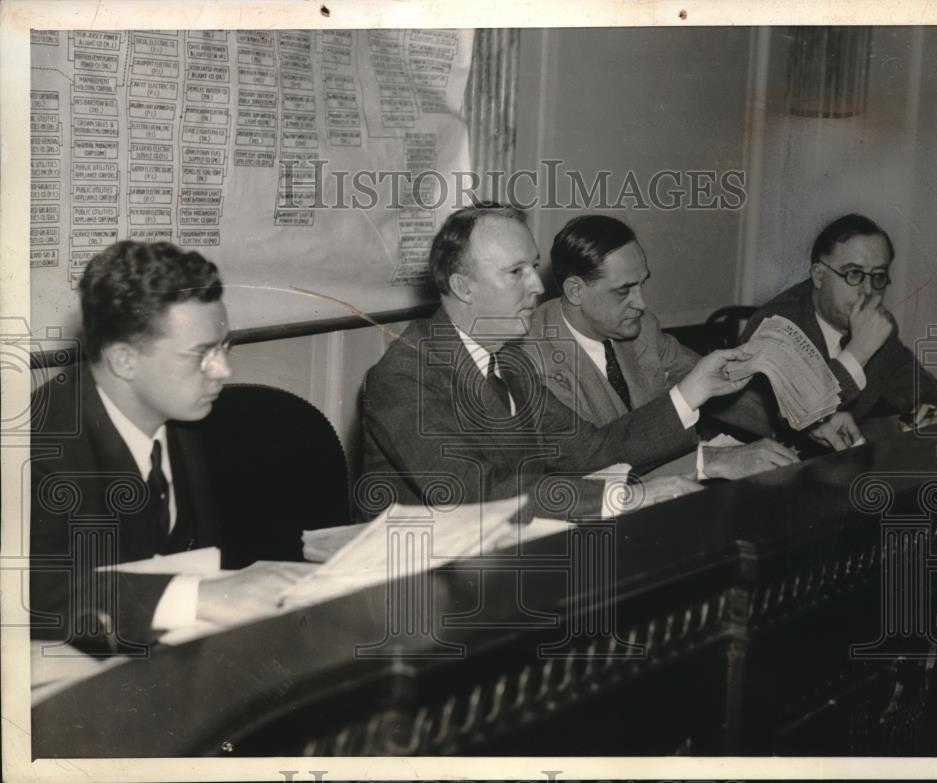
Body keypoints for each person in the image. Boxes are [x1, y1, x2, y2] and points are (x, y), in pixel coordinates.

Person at [361, 205, 780, 523]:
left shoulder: (507, 360)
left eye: (533, 265)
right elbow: (474, 493)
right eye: (516, 272)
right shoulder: (404, 374)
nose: (537, 285)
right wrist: (624, 496)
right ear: (463, 287)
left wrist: (693, 390)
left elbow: (590, 451)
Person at [31, 241, 303, 653]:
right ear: (124, 361)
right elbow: (32, 592)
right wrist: (198, 597)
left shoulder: (185, 414)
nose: (224, 370)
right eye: (200, 354)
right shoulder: (37, 445)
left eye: (224, 346)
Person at [527, 214, 805, 478]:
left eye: (642, 284)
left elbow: (714, 384)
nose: (641, 303)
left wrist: (802, 420)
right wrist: (713, 460)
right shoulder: (533, 357)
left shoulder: (642, 327)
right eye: (623, 291)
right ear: (575, 291)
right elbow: (590, 463)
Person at [738, 213, 937, 442]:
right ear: (819, 276)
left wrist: (932, 411)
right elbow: (787, 418)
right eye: (854, 273)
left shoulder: (877, 325)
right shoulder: (776, 325)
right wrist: (857, 352)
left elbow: (927, 390)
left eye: (878, 276)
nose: (868, 290)